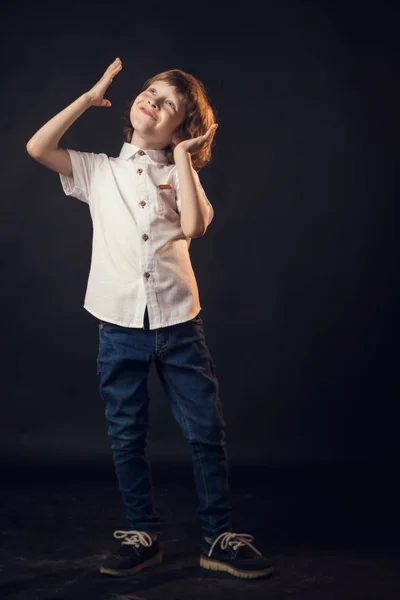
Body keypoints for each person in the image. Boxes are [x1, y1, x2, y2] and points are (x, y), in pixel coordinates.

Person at [26, 58, 275, 580]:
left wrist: (183, 158)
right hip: (118, 326)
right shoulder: (99, 170)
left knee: (205, 431)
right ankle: (142, 531)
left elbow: (194, 225)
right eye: (151, 92)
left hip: (179, 325)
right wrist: (88, 98)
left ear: (181, 129)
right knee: (126, 433)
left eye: (169, 105)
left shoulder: (181, 175)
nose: (153, 102)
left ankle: (218, 535)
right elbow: (38, 147)